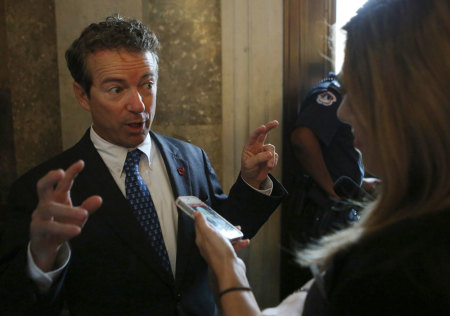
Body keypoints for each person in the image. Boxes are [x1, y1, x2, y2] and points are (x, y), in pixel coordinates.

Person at [0, 15, 287, 315]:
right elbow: (15, 301)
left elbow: (222, 231)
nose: (139, 105)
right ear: (83, 95)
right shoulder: (42, 192)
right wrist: (41, 259)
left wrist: (252, 182)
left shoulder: (191, 158)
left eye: (147, 84)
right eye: (116, 89)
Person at [193, 0, 450, 314]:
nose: (344, 112)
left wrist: (229, 273)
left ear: (407, 105)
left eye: (357, 92)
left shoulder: (398, 265)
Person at [289, 72, 365, 245]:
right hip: (322, 206)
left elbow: (337, 152)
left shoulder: (344, 95)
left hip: (334, 205)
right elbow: (302, 139)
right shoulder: (332, 96)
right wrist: (331, 188)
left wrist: (360, 182)